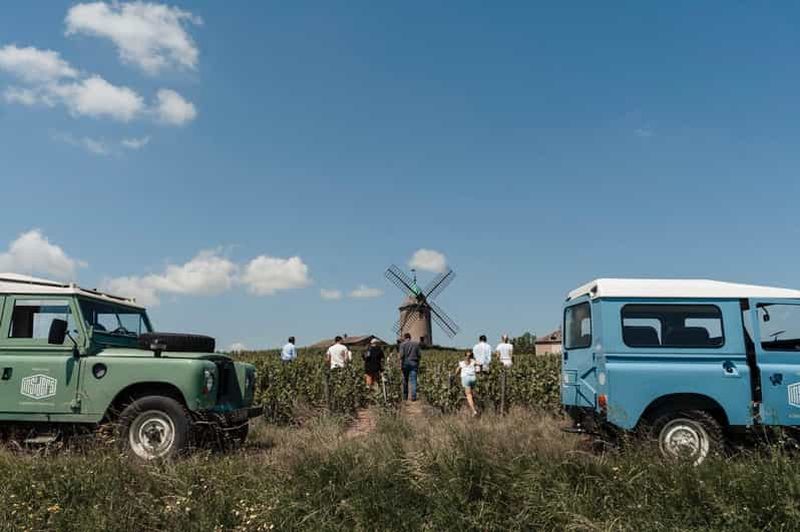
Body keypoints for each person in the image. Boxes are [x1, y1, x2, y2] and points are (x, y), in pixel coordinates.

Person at [399, 333, 421, 401]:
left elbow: (401, 355)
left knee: (405, 380)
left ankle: (405, 396)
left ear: (405, 338)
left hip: (405, 363)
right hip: (414, 363)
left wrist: (400, 364)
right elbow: (419, 355)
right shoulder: (416, 344)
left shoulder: (402, 345)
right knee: (413, 380)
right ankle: (413, 396)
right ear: (410, 337)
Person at [456, 350, 479, 416]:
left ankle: (474, 411)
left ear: (465, 355)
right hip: (473, 378)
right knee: (471, 393)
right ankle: (475, 403)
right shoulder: (473, 361)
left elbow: (457, 370)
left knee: (468, 395)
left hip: (466, 378)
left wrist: (455, 375)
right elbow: (479, 364)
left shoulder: (462, 363)